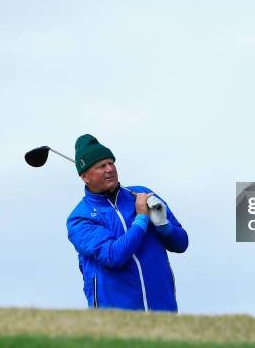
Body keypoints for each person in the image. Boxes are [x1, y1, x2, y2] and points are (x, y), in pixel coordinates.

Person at [66, 134, 189, 312]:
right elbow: (114, 255)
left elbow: (181, 243)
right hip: (116, 316)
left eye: (111, 163)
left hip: (163, 309)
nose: (110, 169)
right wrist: (141, 219)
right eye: (101, 166)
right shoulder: (80, 218)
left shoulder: (142, 194)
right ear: (85, 176)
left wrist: (163, 225)